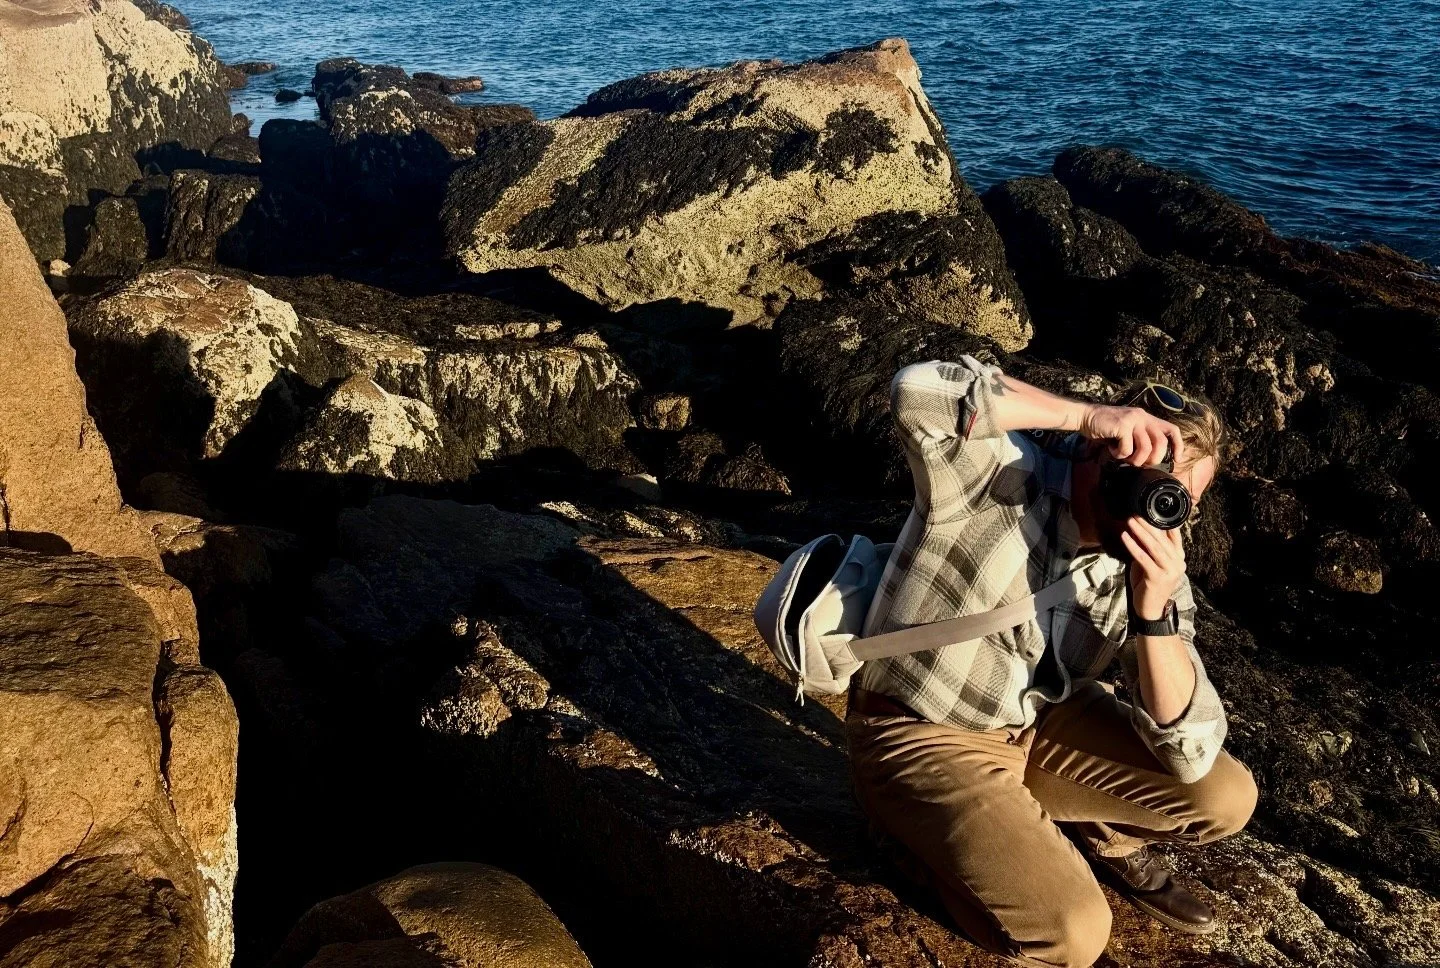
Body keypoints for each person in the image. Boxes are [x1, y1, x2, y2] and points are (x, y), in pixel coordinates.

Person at [846, 356, 1258, 968]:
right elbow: (914, 391)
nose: (1154, 503)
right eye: (1146, 475)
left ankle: (1104, 837)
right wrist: (1086, 414)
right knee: (1074, 933)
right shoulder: (1003, 476)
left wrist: (1152, 614)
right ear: (1099, 453)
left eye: (1178, 497)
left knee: (1225, 797)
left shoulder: (1153, 565)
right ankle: (915, 846)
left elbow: (1190, 751)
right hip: (921, 734)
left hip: (1038, 727)